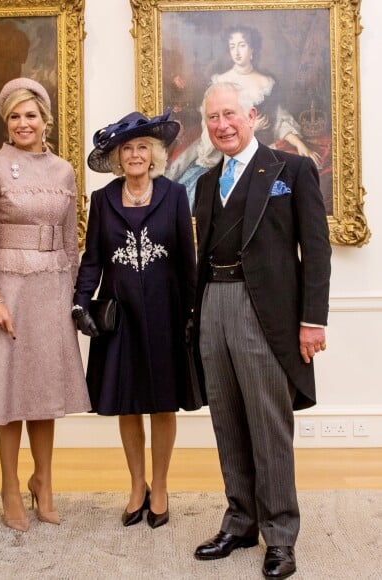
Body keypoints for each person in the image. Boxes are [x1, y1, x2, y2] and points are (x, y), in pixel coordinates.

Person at [192, 82, 331, 579]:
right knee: (227, 421)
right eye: (212, 118)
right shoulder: (207, 183)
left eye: (230, 114)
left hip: (264, 312)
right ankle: (240, 520)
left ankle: (280, 535)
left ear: (252, 116)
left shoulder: (291, 169)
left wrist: (313, 319)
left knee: (270, 427)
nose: (222, 125)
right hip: (213, 305)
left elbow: (316, 248)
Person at [0, 77, 90, 532]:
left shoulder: (63, 170)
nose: (24, 123)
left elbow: (70, 239)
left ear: (45, 120)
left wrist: (77, 298)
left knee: (43, 392)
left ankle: (44, 480)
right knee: (8, 393)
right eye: (15, 116)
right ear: (7, 122)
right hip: (9, 290)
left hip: (53, 287)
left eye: (31, 115)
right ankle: (7, 486)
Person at [73, 111, 203, 529]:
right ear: (117, 158)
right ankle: (136, 486)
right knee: (128, 405)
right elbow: (92, 259)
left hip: (166, 315)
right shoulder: (104, 199)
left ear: (155, 155)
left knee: (163, 404)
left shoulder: (174, 195)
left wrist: (192, 313)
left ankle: (160, 487)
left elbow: (187, 259)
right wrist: (79, 302)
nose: (134, 154)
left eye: (142, 147)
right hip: (120, 315)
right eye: (126, 148)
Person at [167, 26, 321, 210]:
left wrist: (299, 143)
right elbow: (212, 128)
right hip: (223, 155)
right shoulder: (219, 81)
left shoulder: (266, 82)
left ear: (252, 49)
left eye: (242, 45)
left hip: (262, 150)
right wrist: (249, 129)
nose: (237, 52)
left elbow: (279, 119)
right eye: (232, 46)